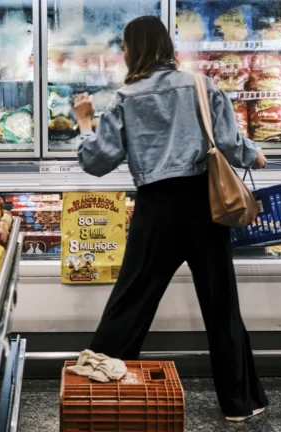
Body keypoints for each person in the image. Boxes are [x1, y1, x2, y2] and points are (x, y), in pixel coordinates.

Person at [73, 15, 269, 422]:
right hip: (204, 205)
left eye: (125, 46)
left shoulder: (127, 97)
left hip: (156, 209)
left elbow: (97, 161)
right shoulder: (201, 85)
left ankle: (98, 390)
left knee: (131, 301)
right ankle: (239, 403)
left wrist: (84, 123)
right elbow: (231, 143)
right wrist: (255, 155)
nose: (123, 53)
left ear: (136, 49)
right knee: (221, 305)